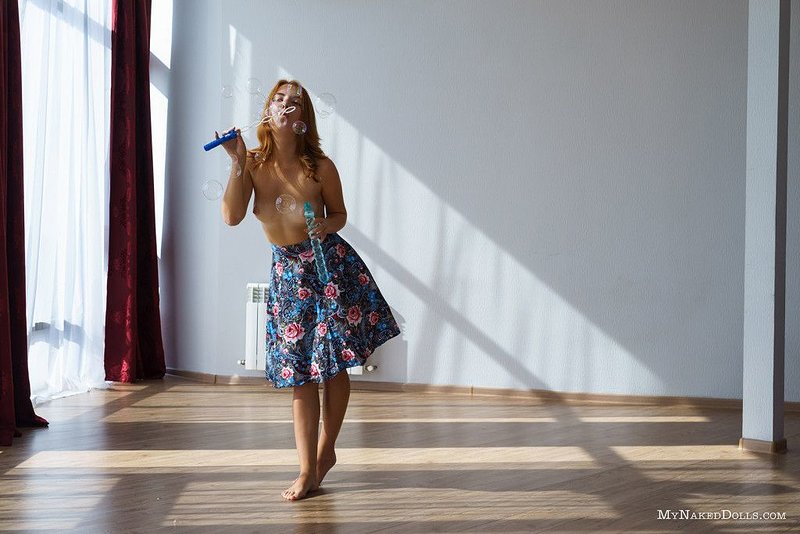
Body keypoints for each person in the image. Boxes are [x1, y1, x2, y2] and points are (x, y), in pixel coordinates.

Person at [217, 79, 401, 501]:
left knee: (333, 367)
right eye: (278, 99)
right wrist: (237, 161)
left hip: (329, 268)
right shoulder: (253, 163)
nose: (286, 105)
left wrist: (324, 224)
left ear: (304, 118)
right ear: (268, 111)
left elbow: (339, 214)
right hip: (288, 277)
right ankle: (306, 469)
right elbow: (231, 216)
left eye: (294, 102)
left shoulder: (321, 167)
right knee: (299, 373)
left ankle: (325, 450)